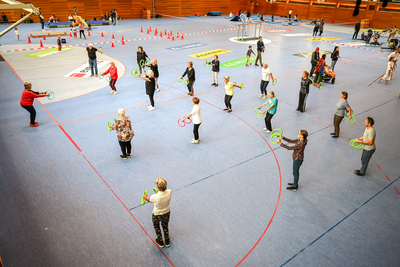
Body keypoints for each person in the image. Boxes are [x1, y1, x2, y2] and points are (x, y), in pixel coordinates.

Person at [142, 177, 172, 248]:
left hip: (157, 214)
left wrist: (144, 197)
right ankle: (167, 240)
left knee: (156, 226)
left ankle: (160, 241)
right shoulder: (169, 192)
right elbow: (162, 194)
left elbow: (149, 200)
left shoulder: (154, 197)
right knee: (165, 226)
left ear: (157, 186)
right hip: (167, 213)